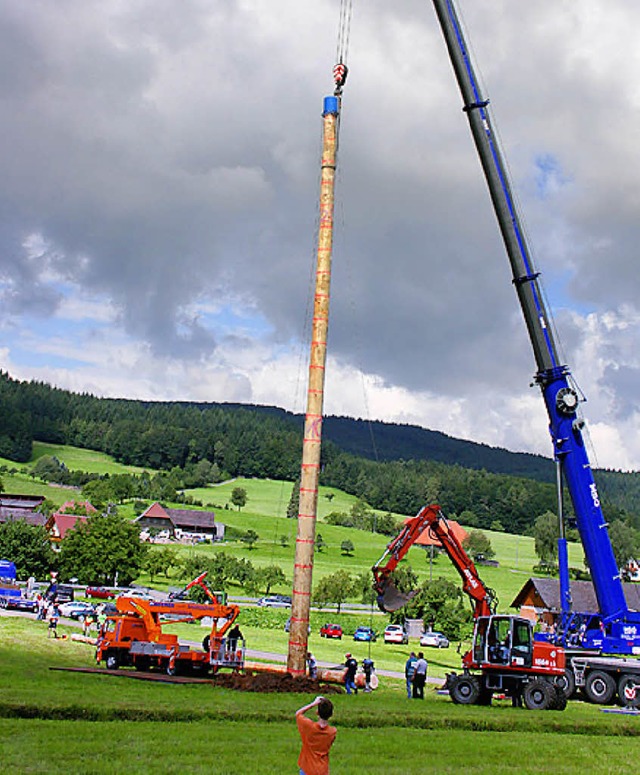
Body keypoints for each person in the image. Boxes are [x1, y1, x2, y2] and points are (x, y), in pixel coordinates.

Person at [296, 695, 337, 775]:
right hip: (323, 770)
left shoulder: (308, 726)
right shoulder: (332, 732)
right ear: (331, 714)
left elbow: (298, 713)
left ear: (317, 712)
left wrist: (313, 703)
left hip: (307, 768)